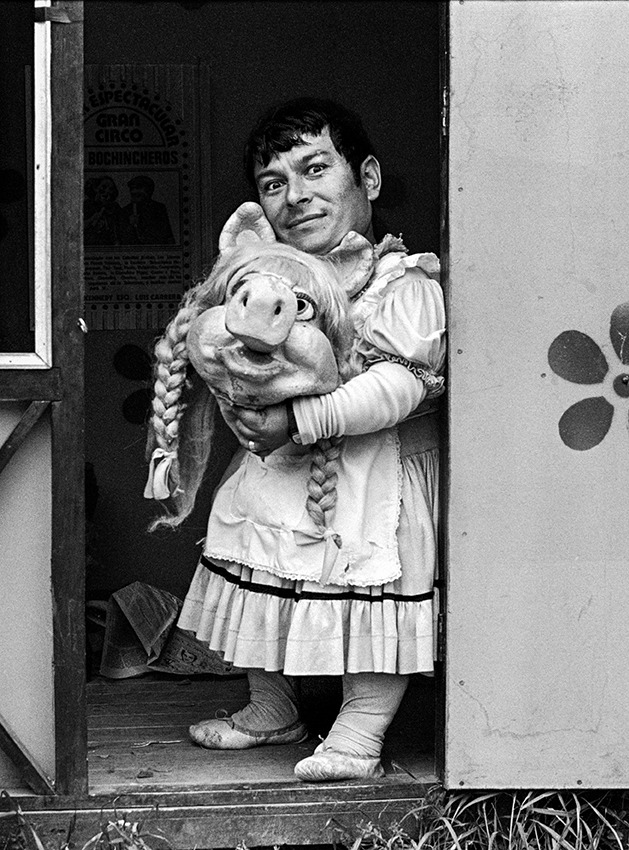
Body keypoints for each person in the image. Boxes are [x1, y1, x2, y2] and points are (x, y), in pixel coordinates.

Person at [145, 97, 446, 782]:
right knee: (260, 563)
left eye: (315, 169)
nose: (296, 195)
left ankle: (358, 733)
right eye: (273, 183)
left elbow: (401, 384)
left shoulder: (403, 284)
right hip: (281, 469)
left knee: (372, 586)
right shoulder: (263, 288)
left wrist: (300, 419)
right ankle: (271, 707)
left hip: (376, 472)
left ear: (367, 178)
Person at [121, 175, 175, 245]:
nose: (134, 191)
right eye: (132, 188)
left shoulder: (159, 208)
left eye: (138, 188)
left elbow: (168, 235)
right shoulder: (126, 210)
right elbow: (122, 239)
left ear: (149, 190)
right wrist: (130, 226)